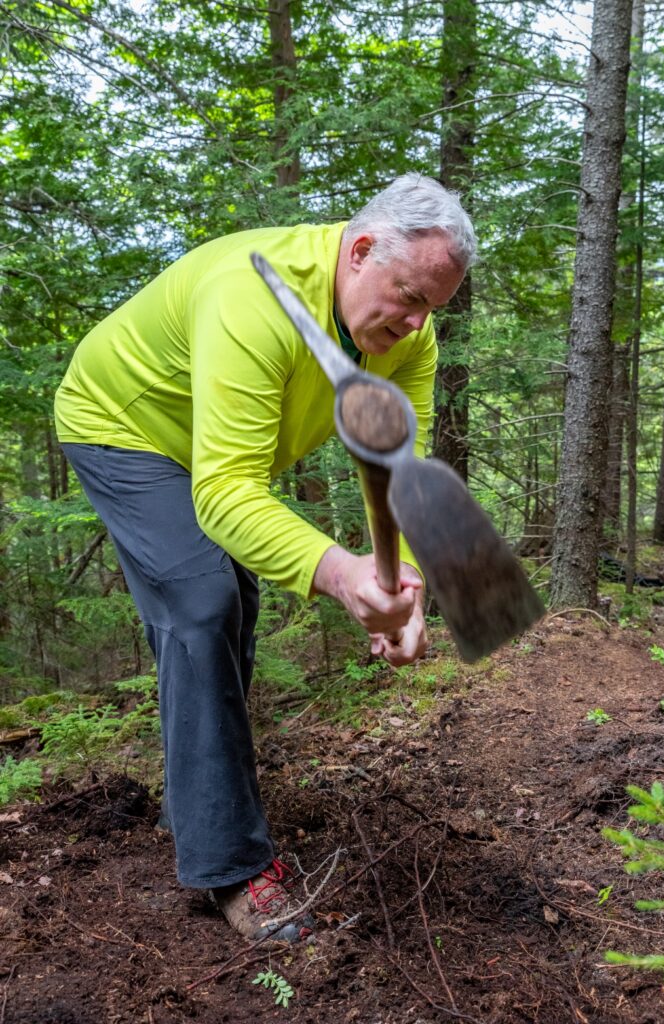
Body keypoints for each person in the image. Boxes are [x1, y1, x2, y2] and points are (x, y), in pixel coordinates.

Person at [54, 173, 476, 941]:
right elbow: (223, 494)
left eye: (430, 309)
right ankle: (231, 867)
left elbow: (396, 468)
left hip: (209, 448)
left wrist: (400, 585)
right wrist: (345, 574)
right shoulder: (252, 298)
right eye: (408, 296)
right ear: (358, 253)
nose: (417, 326)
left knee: (229, 606)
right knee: (204, 602)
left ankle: (201, 790)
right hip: (124, 423)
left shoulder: (408, 336)